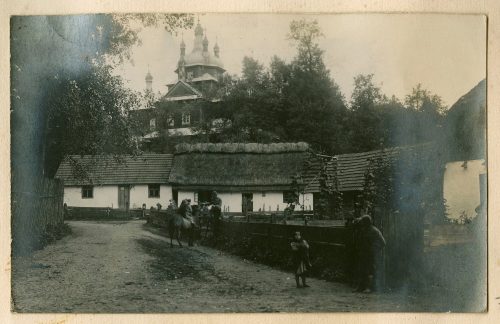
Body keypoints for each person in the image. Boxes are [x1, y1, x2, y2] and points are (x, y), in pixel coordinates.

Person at [354, 214, 386, 293]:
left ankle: (370, 288)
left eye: (363, 222)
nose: (362, 224)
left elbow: (383, 242)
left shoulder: (374, 231)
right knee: (362, 270)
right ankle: (361, 287)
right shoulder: (364, 230)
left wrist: (374, 249)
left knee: (371, 270)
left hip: (372, 254)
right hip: (364, 253)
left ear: (367, 223)